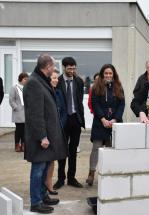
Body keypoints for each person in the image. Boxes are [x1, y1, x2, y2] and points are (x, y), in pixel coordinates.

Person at [23, 53, 67, 214]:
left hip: (48, 136)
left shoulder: (40, 80)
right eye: (53, 66)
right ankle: (35, 202)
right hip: (40, 138)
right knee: (38, 168)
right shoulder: (34, 83)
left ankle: (43, 195)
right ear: (47, 67)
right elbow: (35, 114)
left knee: (46, 164)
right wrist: (42, 136)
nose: (54, 69)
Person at [87, 64, 125, 186]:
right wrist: (103, 119)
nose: (108, 75)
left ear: (113, 74)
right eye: (106, 73)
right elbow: (95, 103)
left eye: (110, 73)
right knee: (96, 149)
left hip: (114, 123)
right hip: (100, 122)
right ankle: (91, 173)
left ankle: (109, 173)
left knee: (111, 149)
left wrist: (115, 119)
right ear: (102, 74)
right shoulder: (95, 87)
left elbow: (121, 104)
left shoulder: (118, 87)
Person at [53, 57, 85, 190]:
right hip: (62, 121)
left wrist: (80, 118)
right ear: (64, 67)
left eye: (74, 68)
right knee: (62, 150)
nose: (72, 71)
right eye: (69, 68)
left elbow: (79, 100)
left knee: (73, 150)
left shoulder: (78, 81)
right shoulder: (57, 81)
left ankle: (71, 178)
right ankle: (61, 178)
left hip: (75, 120)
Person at [45, 69, 67, 196]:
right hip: (47, 131)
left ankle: (49, 184)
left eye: (57, 78)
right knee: (45, 161)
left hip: (57, 130)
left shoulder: (58, 93)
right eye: (53, 78)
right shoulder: (44, 92)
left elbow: (63, 111)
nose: (55, 80)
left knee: (52, 160)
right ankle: (44, 186)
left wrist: (59, 126)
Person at [9, 72, 29, 152]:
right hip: (18, 112)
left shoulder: (27, 88)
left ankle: (24, 145)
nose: (26, 81)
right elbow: (11, 100)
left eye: (27, 79)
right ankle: (17, 145)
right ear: (20, 79)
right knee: (18, 129)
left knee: (25, 130)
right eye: (25, 79)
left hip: (25, 112)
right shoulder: (14, 88)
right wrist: (16, 108)